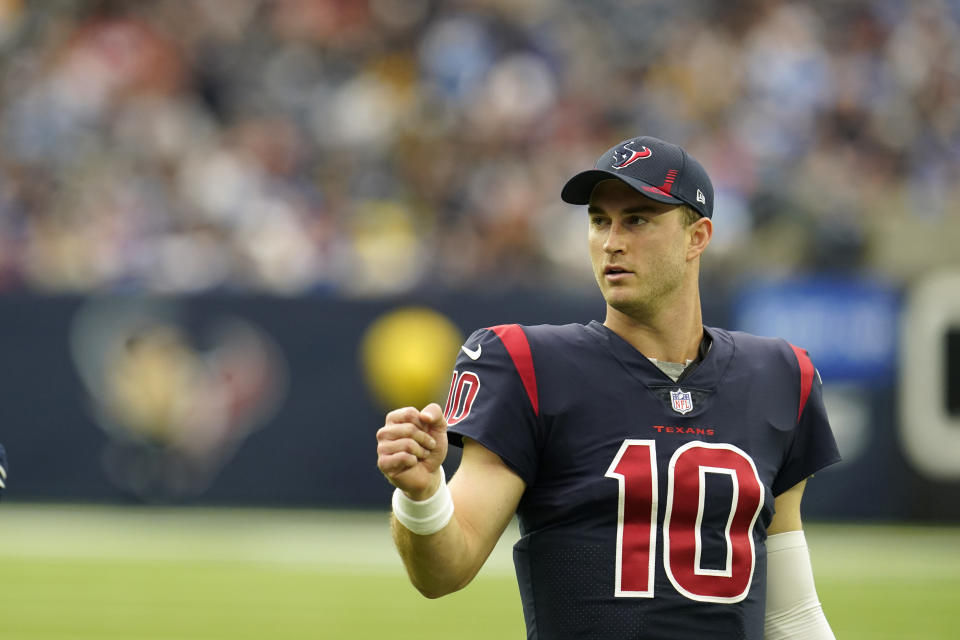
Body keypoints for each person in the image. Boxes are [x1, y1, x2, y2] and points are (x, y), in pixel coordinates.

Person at [376, 135, 841, 639]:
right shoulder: (529, 366)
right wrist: (422, 496)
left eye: (637, 220)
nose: (612, 241)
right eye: (600, 220)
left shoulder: (776, 375)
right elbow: (444, 571)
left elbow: (791, 614)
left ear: (697, 237)